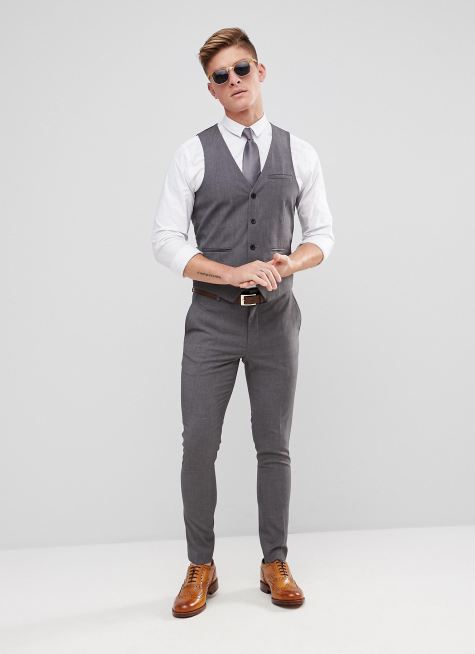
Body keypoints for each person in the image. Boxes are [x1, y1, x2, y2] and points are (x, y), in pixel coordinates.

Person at [151, 27, 335, 618]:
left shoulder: (300, 153)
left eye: (242, 68)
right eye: (220, 76)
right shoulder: (191, 154)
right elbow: (165, 241)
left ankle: (274, 561)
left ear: (261, 71)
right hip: (211, 319)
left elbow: (322, 235)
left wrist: (290, 262)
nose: (234, 80)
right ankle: (200, 565)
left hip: (276, 321)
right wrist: (230, 273)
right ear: (211, 89)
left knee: (273, 445)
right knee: (199, 445)